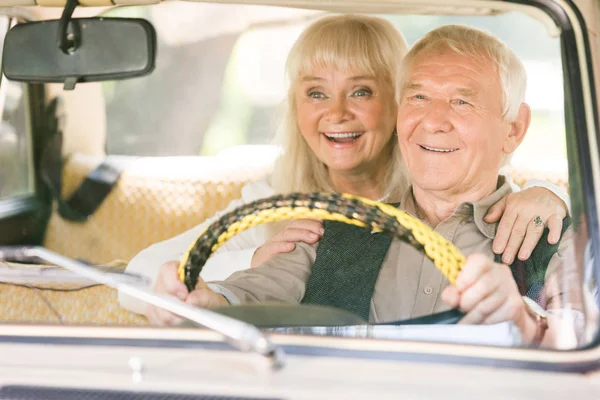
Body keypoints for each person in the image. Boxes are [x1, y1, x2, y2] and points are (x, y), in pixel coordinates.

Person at [119, 16, 570, 327]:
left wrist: (520, 316)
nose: (433, 119)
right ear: (401, 111)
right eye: (418, 97)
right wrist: (200, 300)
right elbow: (247, 293)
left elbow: (581, 342)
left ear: (514, 129)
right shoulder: (323, 225)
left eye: (461, 100)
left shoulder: (551, 234)